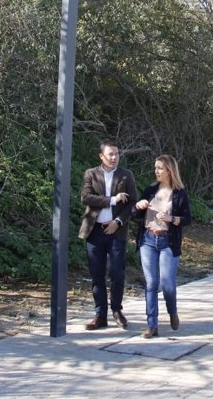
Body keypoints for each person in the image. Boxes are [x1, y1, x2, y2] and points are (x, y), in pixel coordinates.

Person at [79, 140, 137, 330]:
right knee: (97, 276)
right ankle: (100, 315)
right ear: (101, 156)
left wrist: (118, 222)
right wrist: (113, 199)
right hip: (95, 231)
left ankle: (117, 310)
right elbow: (86, 197)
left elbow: (132, 205)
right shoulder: (91, 174)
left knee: (116, 273)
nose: (114, 158)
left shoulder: (126, 176)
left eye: (117, 154)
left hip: (116, 232)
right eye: (110, 154)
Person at [133, 155, 192, 339]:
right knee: (151, 283)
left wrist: (171, 219)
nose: (156, 171)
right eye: (155, 168)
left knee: (167, 285)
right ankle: (152, 325)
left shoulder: (179, 193)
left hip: (168, 242)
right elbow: (135, 213)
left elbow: (188, 219)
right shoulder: (150, 190)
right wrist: (138, 206)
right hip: (148, 240)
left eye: (160, 168)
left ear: (169, 170)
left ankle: (172, 311)